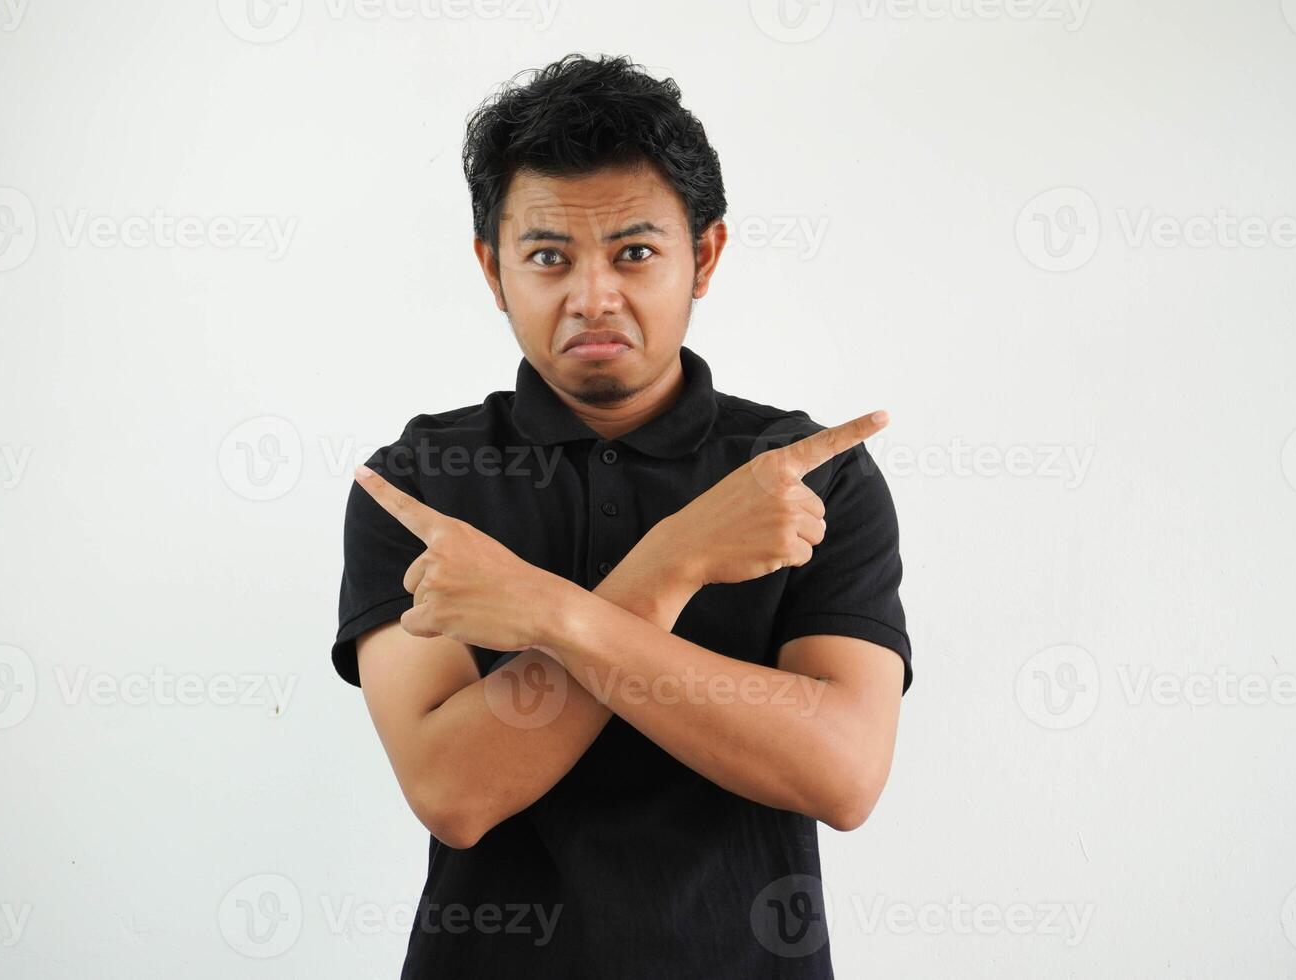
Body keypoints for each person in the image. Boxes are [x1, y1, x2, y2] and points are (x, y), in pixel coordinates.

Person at [331, 52, 912, 980]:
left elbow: (841, 774)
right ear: (493, 270)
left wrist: (548, 614)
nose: (592, 295)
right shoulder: (420, 484)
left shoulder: (804, 477)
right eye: (548, 256)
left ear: (705, 256)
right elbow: (453, 790)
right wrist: (673, 563)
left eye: (635, 253)